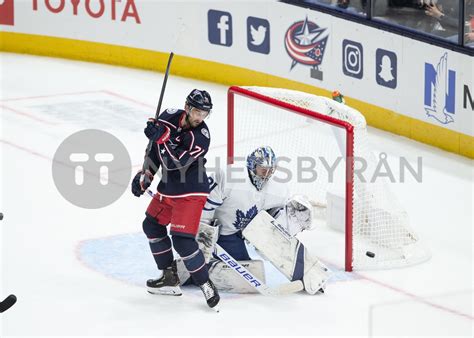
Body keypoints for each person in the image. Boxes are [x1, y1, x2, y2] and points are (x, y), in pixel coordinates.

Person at [177, 146, 331, 295]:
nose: (266, 174)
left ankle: (308, 275)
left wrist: (290, 219)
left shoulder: (278, 190)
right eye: (263, 169)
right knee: (249, 276)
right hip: (221, 234)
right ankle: (194, 272)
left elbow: (272, 225)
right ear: (252, 165)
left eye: (271, 170)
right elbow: (204, 206)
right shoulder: (227, 176)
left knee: (251, 271)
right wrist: (203, 239)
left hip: (241, 232)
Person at [131, 89, 220, 310]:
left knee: (182, 240)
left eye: (205, 113)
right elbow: (154, 151)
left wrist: (162, 137)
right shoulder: (168, 116)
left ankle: (206, 284)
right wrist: (147, 174)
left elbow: (174, 164)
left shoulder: (201, 137)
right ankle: (169, 278)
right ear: (187, 107)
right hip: (170, 187)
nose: (201, 117)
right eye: (198, 111)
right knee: (151, 225)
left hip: (191, 190)